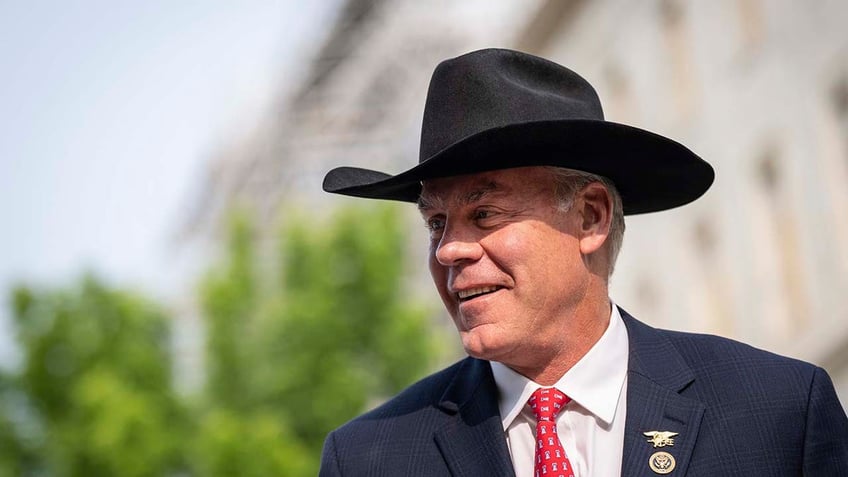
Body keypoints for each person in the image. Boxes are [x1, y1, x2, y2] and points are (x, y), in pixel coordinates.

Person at [318, 48, 848, 476]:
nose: (449, 249)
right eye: (436, 223)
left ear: (591, 217)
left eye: (484, 213)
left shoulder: (777, 411)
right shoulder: (370, 459)